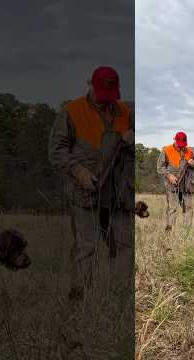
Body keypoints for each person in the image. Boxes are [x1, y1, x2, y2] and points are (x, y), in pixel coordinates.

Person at [48, 66, 135, 301]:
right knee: (87, 248)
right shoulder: (72, 112)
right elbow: (56, 152)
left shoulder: (126, 112)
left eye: (111, 96)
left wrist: (131, 140)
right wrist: (78, 171)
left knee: (125, 245)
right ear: (90, 85)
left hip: (117, 194)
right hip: (85, 192)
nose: (108, 102)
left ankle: (118, 299)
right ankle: (78, 301)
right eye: (103, 95)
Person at [157, 131, 194, 231]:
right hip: (172, 185)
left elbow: (191, 170)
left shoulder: (190, 152)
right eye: (179, 144)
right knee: (172, 209)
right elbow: (160, 167)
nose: (181, 147)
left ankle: (187, 232)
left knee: (189, 208)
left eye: (183, 145)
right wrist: (169, 176)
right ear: (174, 140)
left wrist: (192, 165)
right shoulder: (166, 150)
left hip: (186, 185)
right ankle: (170, 232)